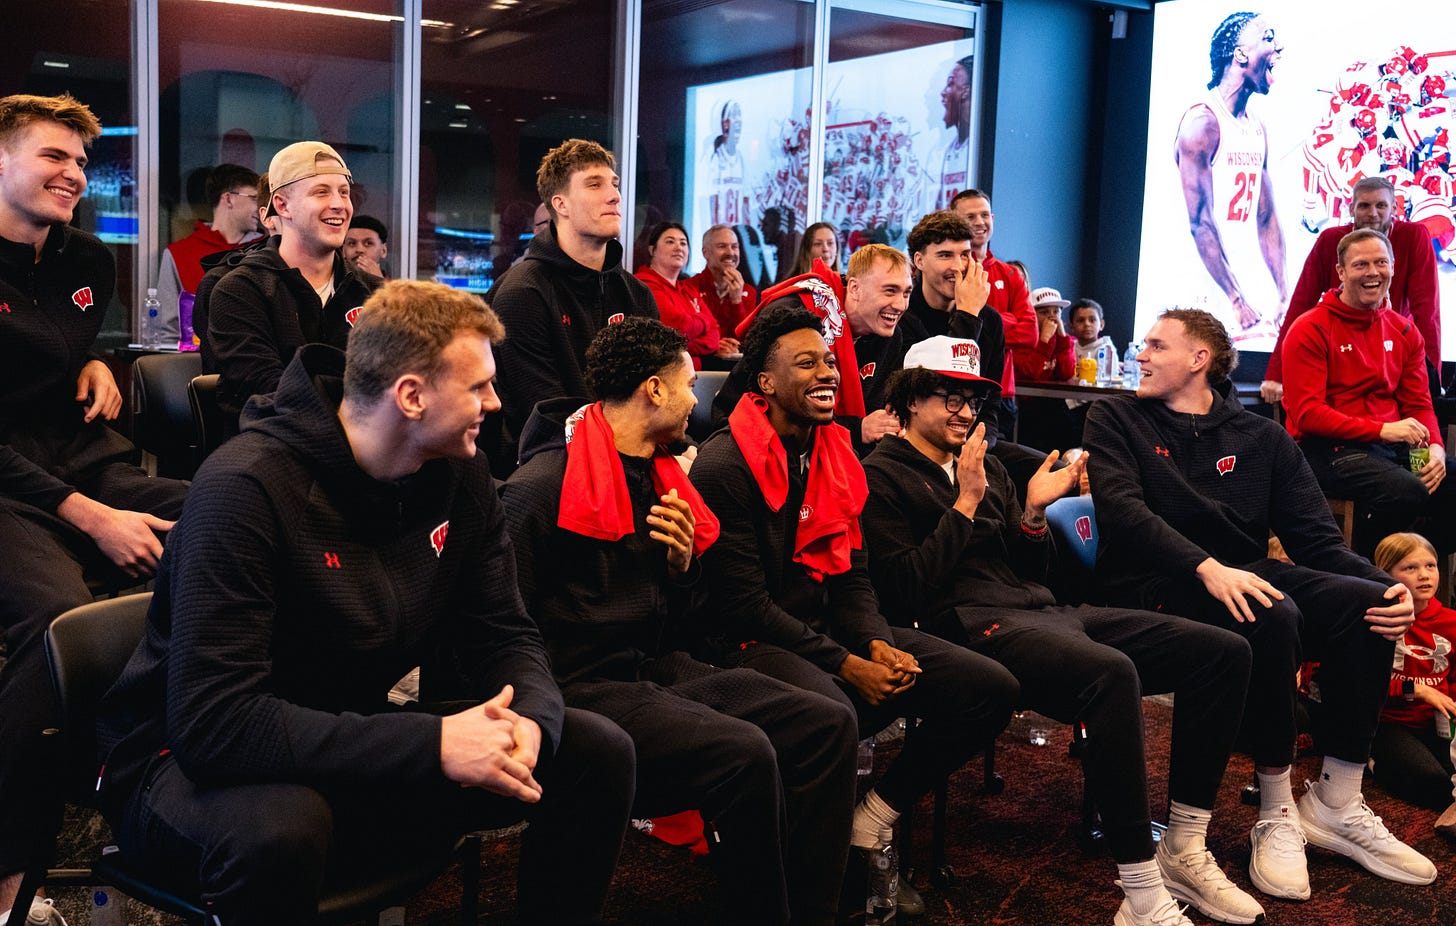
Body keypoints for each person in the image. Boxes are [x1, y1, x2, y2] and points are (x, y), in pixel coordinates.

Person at [94, 280, 635, 926]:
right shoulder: (244, 490)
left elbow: (506, 635)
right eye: (479, 386)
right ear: (410, 395)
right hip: (180, 769)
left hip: (347, 738)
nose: (497, 401)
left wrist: (533, 727)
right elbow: (216, 725)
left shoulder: (461, 477)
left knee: (591, 751)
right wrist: (433, 743)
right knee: (284, 828)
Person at [862, 336, 1260, 926]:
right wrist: (965, 506)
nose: (964, 411)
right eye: (948, 397)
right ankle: (1140, 888)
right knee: (1110, 672)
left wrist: (1029, 516)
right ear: (910, 400)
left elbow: (1030, 573)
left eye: (971, 399)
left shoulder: (989, 466)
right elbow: (904, 592)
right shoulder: (882, 476)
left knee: (1222, 651)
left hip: (1041, 611)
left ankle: (1185, 843)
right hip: (967, 627)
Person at [501, 318, 856, 925]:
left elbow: (683, 626)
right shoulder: (541, 487)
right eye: (688, 383)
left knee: (824, 722)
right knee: (744, 752)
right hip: (575, 682)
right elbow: (505, 625)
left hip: (653, 667)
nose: (698, 397)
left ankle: (810, 911)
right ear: (654, 390)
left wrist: (684, 567)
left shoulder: (663, 477)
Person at [1084, 308, 1437, 902]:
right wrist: (1205, 566)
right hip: (1151, 583)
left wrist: (1388, 585)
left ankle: (1335, 800)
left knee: (1367, 603)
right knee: (1272, 611)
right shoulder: (1113, 416)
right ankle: (1275, 808)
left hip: (1240, 574)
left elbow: (1317, 541)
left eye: (1155, 346)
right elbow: (1122, 512)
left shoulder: (1261, 436)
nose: (1140, 355)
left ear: (1199, 359)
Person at [689, 302, 1019, 915]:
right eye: (805, 363)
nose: (828, 373)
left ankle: (869, 821)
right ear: (764, 381)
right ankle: (821, 891)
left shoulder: (834, 452)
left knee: (986, 686)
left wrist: (872, 642)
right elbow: (744, 607)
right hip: (743, 641)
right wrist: (847, 663)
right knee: (835, 712)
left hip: (826, 630)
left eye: (828, 361)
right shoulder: (723, 464)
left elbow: (853, 576)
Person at [0, 93, 189, 926]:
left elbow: (65, 344)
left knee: (220, 521)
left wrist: (107, 361)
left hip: (81, 459)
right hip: (9, 485)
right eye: (52, 156)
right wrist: (87, 516)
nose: (74, 173)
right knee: (60, 624)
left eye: (80, 160)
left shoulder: (86, 259)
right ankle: (10, 873)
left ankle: (173, 787)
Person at [1280, 228, 1456, 555]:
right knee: (1405, 491)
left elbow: (1420, 404)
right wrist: (1384, 430)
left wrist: (1435, 447)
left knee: (1443, 482)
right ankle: (1367, 578)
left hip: (1388, 446)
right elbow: (1307, 415)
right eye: (1361, 265)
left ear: (1392, 268)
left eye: (1381, 263)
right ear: (1341, 272)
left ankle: (1414, 571)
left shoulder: (1404, 330)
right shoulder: (1309, 328)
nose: (1373, 272)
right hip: (1326, 449)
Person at [485, 138, 658, 452]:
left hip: (629, 455)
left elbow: (656, 393)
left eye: (614, 184)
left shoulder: (637, 295)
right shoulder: (522, 293)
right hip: (552, 467)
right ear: (560, 205)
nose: (614, 196)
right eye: (594, 184)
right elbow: (544, 416)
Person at [207, 140, 382, 429]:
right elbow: (270, 391)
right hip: (273, 448)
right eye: (321, 192)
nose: (339, 204)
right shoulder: (238, 290)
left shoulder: (375, 293)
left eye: (344, 192)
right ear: (282, 205)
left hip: (366, 447)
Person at [1263, 177, 1442, 403]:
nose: (1373, 214)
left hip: (1391, 357)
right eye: (1364, 206)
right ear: (1351, 209)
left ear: (1394, 208)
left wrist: (1431, 379)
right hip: (1340, 359)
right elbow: (1301, 304)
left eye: (1381, 205)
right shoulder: (1330, 240)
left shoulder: (1413, 236)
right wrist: (1276, 373)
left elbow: (1427, 312)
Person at [1174, 11, 1288, 340]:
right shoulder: (1203, 122)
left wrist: (1283, 292)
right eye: (1267, 38)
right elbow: (1201, 222)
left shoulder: (1256, 126)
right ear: (1240, 53)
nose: (1278, 47)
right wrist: (1236, 300)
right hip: (1203, 292)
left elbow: (1266, 216)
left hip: (1244, 292)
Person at [1370, 532, 1456, 816]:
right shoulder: (1374, 618)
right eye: (1410, 568)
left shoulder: (1450, 622)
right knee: (1435, 785)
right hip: (1388, 722)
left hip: (1436, 724)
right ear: (1386, 574)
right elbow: (1352, 684)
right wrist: (1414, 689)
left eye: (1430, 566)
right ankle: (1371, 762)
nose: (1424, 575)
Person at [947, 190, 1040, 420]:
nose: (979, 222)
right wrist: (1007, 318)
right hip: (951, 389)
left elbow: (1030, 333)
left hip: (1000, 391)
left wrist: (990, 322)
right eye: (970, 217)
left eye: (985, 215)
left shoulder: (1010, 274)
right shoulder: (947, 273)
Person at [155, 162, 260, 344]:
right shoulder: (179, 254)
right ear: (228, 199)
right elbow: (168, 332)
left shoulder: (267, 249)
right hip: (195, 366)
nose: (260, 208)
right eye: (253, 198)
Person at [634, 221, 738, 369]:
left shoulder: (687, 289)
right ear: (652, 250)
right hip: (663, 375)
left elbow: (715, 332)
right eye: (670, 242)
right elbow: (677, 328)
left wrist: (685, 344)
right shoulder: (644, 285)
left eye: (683, 243)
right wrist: (703, 323)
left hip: (694, 376)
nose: (678, 248)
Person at [1013, 287, 1078, 453]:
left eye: (1056, 311)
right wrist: (1044, 341)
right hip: (1026, 407)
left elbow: (1067, 373)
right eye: (1044, 312)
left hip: (1052, 404)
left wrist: (1063, 339)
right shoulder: (1023, 338)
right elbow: (1031, 375)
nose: (1052, 317)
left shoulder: (1060, 341)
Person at [690, 224, 758, 339]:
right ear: (705, 253)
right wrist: (716, 346)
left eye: (734, 247)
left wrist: (736, 301)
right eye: (722, 246)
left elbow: (745, 339)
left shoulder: (748, 292)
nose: (730, 253)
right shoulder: (690, 287)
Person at [935, 56, 973, 209]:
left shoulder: (979, 150)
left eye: (950, 84)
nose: (943, 93)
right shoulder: (950, 151)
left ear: (966, 92)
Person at [708, 100, 748, 226]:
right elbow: (710, 201)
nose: (739, 120)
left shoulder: (741, 159)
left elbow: (746, 202)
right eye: (734, 115)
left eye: (740, 115)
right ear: (725, 124)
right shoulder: (715, 159)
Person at [343, 213, 389, 279]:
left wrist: (378, 282)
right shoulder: (330, 286)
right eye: (352, 243)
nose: (359, 249)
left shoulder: (398, 288)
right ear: (343, 250)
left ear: (383, 251)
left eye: (368, 243)